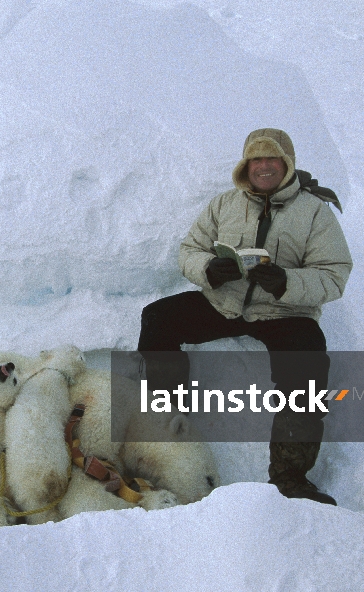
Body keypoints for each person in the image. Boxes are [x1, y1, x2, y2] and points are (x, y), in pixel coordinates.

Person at [137, 128, 352, 505]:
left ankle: (290, 477)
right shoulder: (225, 204)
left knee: (307, 362)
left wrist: (287, 281)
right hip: (225, 303)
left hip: (284, 311)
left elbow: (334, 275)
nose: (264, 166)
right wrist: (208, 269)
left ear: (287, 165)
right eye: (256, 159)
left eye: (273, 159)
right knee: (158, 318)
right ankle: (169, 424)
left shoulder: (314, 212)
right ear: (245, 164)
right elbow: (190, 249)